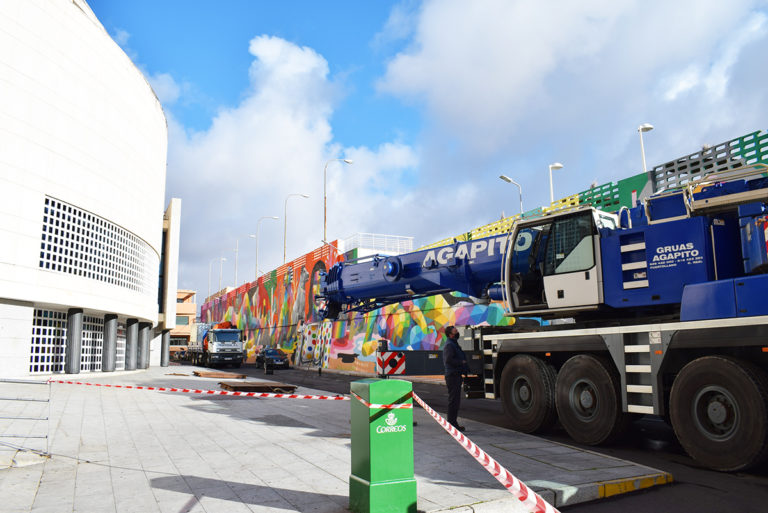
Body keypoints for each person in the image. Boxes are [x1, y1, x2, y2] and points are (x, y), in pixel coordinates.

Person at [442, 325, 469, 432]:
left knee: (455, 401)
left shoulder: (453, 343)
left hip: (455, 375)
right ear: (450, 334)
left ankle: (453, 423)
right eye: (455, 330)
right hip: (452, 376)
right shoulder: (449, 345)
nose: (457, 331)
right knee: (453, 401)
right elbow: (448, 360)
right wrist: (461, 362)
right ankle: (451, 425)